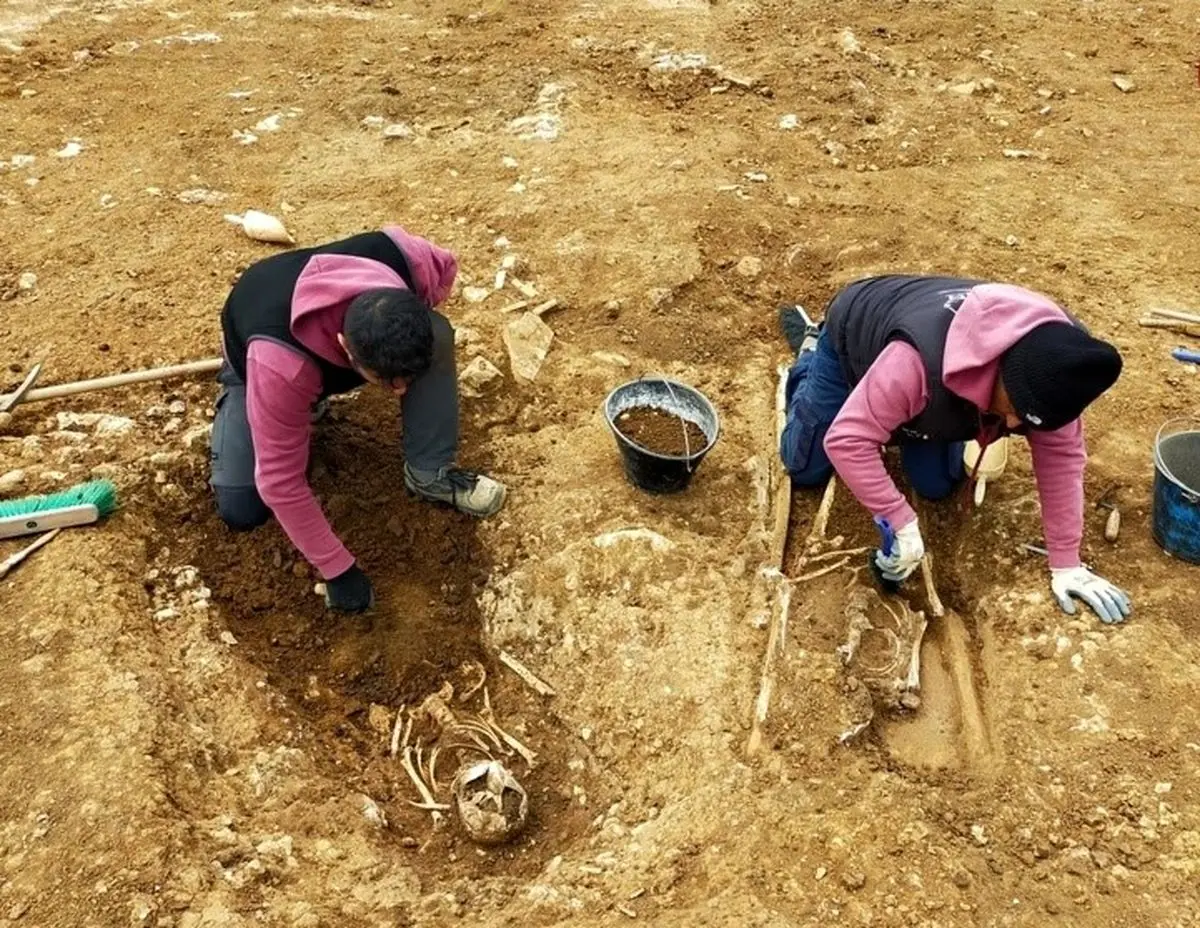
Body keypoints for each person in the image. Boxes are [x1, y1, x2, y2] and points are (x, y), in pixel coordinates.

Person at [778, 274, 1131, 624]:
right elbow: (846, 440)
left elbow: (1062, 460)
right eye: (1012, 409)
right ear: (1001, 370)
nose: (1010, 427)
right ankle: (811, 351)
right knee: (804, 466)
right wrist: (898, 519)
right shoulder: (915, 362)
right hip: (855, 342)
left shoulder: (1062, 373)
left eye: (1025, 420)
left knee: (935, 485)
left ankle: (898, 412)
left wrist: (1066, 562)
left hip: (938, 386)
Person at [209, 224, 506, 613]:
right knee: (241, 507)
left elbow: (445, 272)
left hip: (333, 347)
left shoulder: (407, 259)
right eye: (387, 381)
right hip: (261, 363)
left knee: (437, 333)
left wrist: (409, 354)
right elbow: (280, 482)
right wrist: (338, 571)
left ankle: (429, 473)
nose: (400, 392)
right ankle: (262, 402)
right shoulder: (281, 367)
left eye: (406, 381)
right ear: (345, 347)